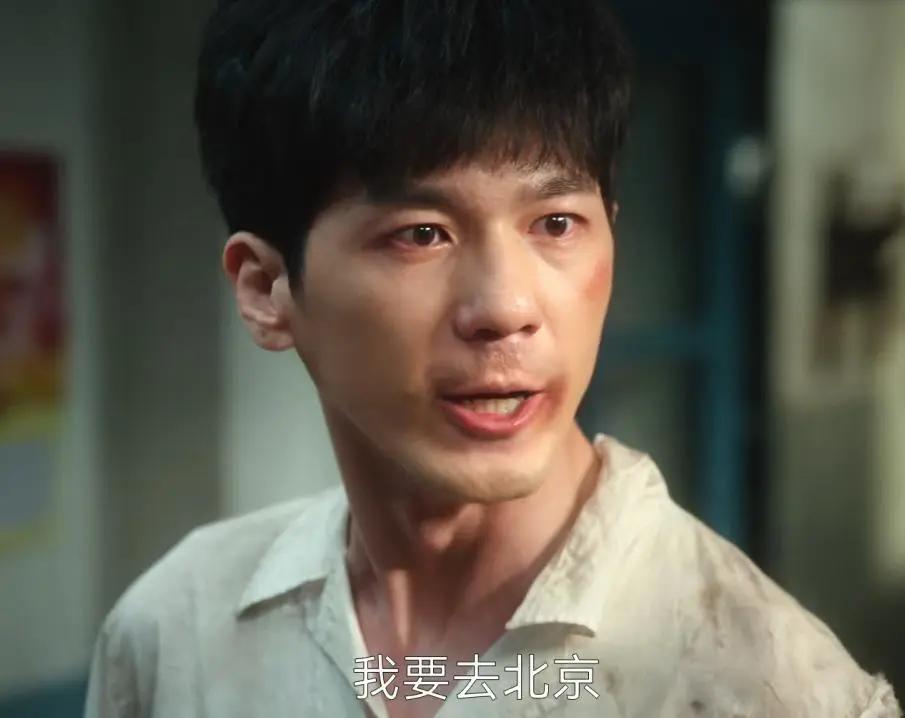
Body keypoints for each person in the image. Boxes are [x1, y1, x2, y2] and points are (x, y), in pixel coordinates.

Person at [85, 1, 901, 716]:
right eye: (421, 234)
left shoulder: (768, 686)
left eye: (555, 224)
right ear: (267, 288)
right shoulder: (177, 635)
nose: (507, 309)